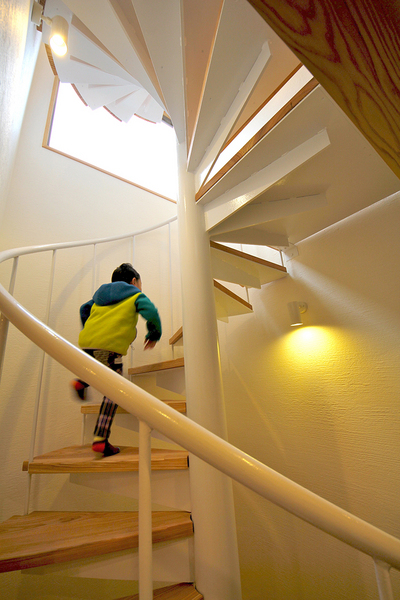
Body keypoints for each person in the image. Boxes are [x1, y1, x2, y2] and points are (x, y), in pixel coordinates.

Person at [71, 263, 162, 456]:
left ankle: (82, 381)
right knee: (114, 391)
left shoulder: (99, 295)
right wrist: (154, 333)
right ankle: (100, 439)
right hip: (110, 349)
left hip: (88, 344)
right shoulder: (135, 295)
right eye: (140, 284)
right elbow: (151, 313)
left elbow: (83, 309)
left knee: (96, 369)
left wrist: (91, 330)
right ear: (134, 281)